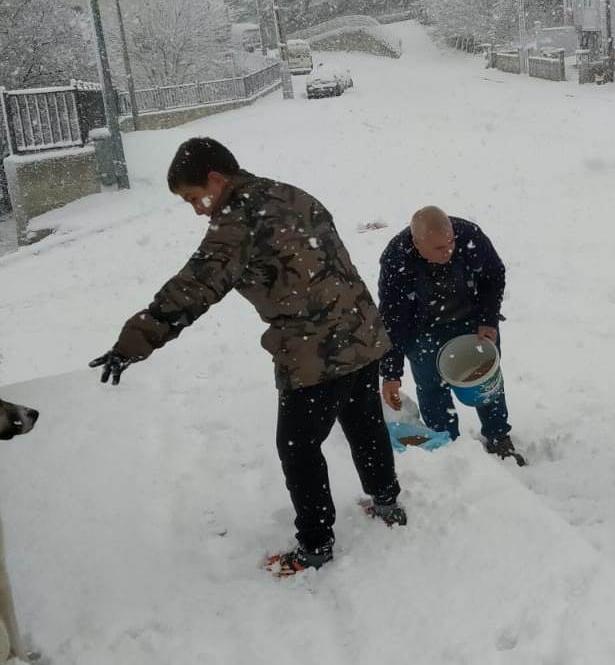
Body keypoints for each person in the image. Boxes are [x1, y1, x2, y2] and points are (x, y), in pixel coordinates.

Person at [89, 137, 405, 576]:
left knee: (298, 448)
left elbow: (194, 287)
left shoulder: (238, 223)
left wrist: (132, 344)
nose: (198, 209)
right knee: (364, 421)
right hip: (362, 333)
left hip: (315, 354)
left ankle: (315, 545)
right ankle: (388, 502)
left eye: (195, 197)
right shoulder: (292, 193)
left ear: (216, 180)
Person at [378, 207, 525, 466]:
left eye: (450, 243)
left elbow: (494, 275)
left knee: (487, 382)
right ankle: (448, 446)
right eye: (438, 248)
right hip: (423, 330)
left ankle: (498, 436)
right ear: (416, 243)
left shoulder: (469, 236)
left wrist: (488, 320)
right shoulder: (396, 259)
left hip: (473, 322)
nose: (448, 251)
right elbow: (392, 319)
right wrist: (391, 373)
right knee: (432, 391)